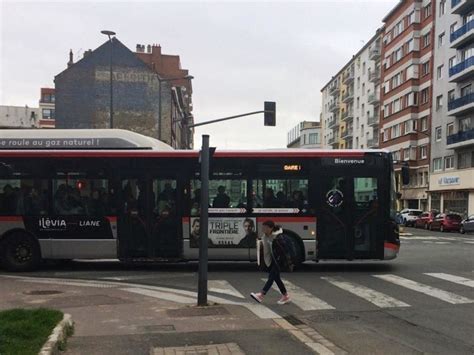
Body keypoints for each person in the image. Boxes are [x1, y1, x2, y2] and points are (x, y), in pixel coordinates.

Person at [250, 220, 291, 305]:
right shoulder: (265, 236)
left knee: (271, 277)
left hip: (279, 260)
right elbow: (266, 251)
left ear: (271, 228)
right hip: (273, 260)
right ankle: (286, 296)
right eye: (262, 227)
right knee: (276, 278)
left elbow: (283, 250)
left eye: (265, 227)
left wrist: (280, 260)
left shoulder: (278, 236)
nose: (263, 229)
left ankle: (261, 294)